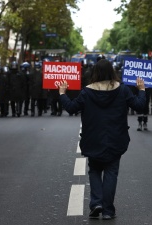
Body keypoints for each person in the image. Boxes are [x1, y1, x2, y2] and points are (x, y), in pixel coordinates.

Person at [58, 59, 146, 220]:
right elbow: (140, 106)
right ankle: (108, 210)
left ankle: (96, 203)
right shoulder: (123, 90)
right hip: (116, 139)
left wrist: (62, 93)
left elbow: (71, 108)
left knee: (95, 170)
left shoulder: (87, 92)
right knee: (111, 173)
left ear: (95, 73)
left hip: (93, 139)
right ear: (112, 72)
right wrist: (141, 89)